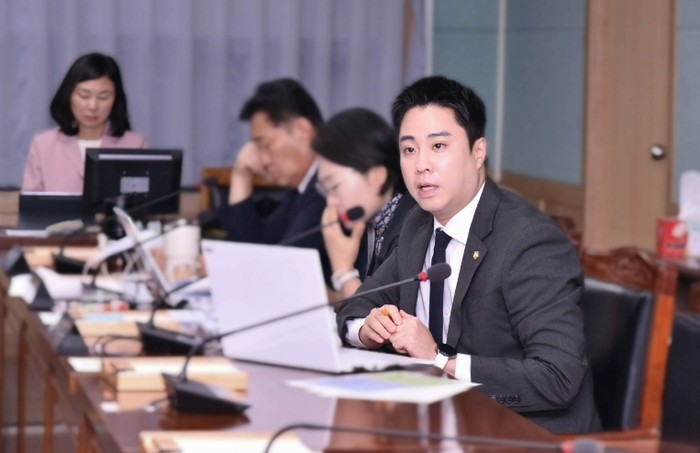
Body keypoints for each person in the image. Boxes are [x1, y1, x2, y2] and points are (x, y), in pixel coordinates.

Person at [336, 76, 599, 434]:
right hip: (439, 423)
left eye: (438, 146)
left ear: (478, 152)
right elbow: (354, 307)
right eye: (409, 150)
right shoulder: (418, 225)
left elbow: (557, 377)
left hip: (522, 434)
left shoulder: (530, 242)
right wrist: (366, 330)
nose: (421, 165)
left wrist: (439, 360)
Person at [217, 78, 331, 280]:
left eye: (266, 145)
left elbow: (280, 268)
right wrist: (241, 177)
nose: (263, 161)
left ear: (302, 130)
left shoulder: (327, 187)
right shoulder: (300, 189)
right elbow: (254, 248)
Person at [313, 108, 415, 297]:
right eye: (325, 190)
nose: (330, 202)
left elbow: (379, 313)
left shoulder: (415, 228)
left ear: (377, 176)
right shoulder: (363, 224)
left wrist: (344, 270)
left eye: (334, 186)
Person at [22, 52, 147, 192]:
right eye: (84, 95)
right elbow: (31, 203)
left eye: (103, 97)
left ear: (116, 99)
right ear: (68, 95)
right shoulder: (43, 145)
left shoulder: (135, 145)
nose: (92, 106)